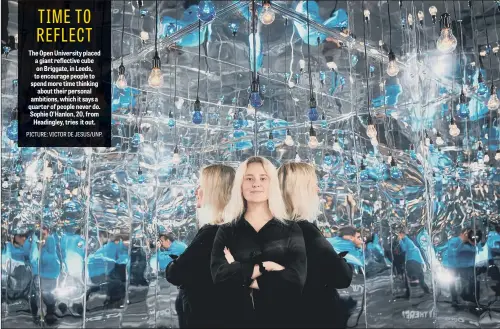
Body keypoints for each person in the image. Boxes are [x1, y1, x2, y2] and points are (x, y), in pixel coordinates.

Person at [211, 156, 307, 328]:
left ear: (272, 185)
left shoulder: (291, 229)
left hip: (283, 320)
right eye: (249, 178)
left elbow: (296, 281)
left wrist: (240, 272)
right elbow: (220, 278)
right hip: (235, 320)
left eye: (263, 178)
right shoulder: (226, 230)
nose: (256, 184)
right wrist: (268, 266)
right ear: (240, 185)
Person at [278, 162, 352, 328]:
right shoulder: (307, 232)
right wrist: (341, 261)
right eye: (313, 186)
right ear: (300, 192)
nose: (318, 191)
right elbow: (342, 277)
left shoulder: (270, 229)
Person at [166, 164, 236, 328]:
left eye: (202, 186)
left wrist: (173, 264)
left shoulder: (212, 233)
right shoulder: (235, 229)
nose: (197, 191)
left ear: (214, 192)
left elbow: (175, 273)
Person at [397, 229, 431, 298]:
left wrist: (400, 240)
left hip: (413, 261)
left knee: (416, 277)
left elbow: (404, 249)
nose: (398, 236)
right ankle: (426, 290)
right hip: (414, 260)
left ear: (402, 234)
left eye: (399, 235)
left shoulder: (407, 241)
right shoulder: (408, 240)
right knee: (419, 277)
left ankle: (424, 291)